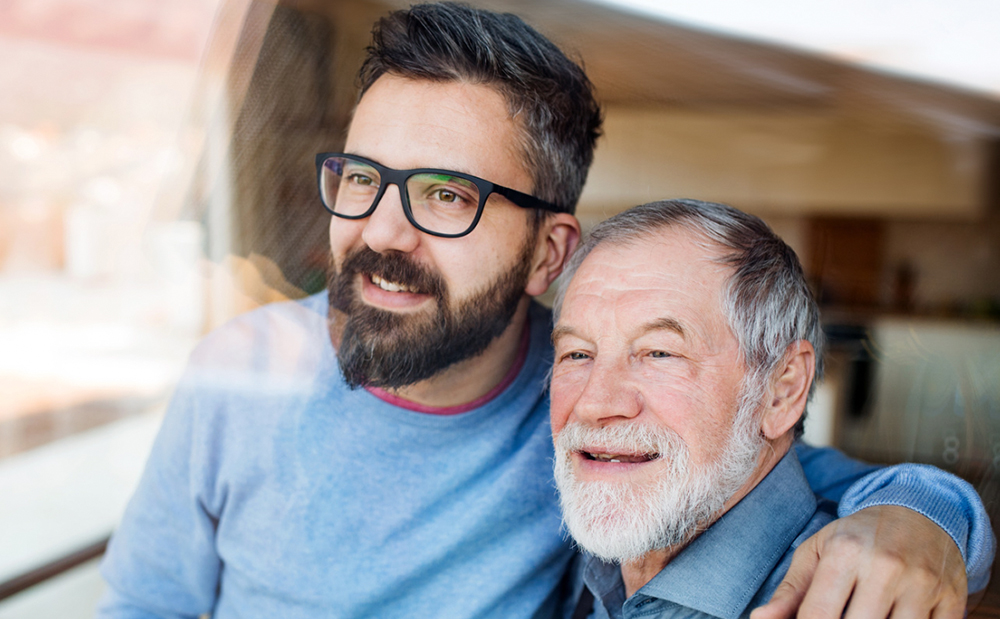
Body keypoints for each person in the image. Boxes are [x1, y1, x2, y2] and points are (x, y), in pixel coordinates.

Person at [97, 4, 993, 619]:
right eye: (363, 179)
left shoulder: (580, 409)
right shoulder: (238, 374)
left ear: (549, 254)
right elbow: (145, 602)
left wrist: (926, 517)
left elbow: (802, 475)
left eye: (446, 196)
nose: (382, 230)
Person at [550, 199, 980, 618]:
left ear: (781, 391)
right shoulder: (595, 549)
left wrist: (934, 514)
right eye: (577, 354)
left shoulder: (853, 602)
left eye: (660, 353)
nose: (594, 403)